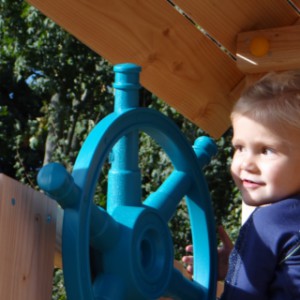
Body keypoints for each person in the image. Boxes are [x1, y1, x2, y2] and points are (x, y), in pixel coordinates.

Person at [182, 70, 300, 299]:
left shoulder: (269, 222)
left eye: (266, 150)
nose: (247, 163)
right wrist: (238, 264)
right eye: (239, 148)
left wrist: (239, 275)